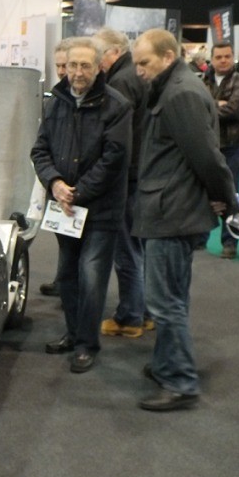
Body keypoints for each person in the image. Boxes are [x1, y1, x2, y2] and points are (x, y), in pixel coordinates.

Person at [131, 29, 239, 410]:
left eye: (144, 63)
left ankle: (180, 381)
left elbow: (208, 157)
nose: (138, 71)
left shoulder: (181, 94)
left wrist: (227, 199)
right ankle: (167, 364)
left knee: (164, 302)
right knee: (170, 298)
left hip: (171, 211)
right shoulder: (175, 88)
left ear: (167, 57)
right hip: (169, 208)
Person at [31, 36, 131, 374]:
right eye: (72, 65)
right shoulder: (55, 102)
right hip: (65, 209)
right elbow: (39, 151)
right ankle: (73, 334)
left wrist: (76, 193)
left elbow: (114, 159)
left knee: (91, 276)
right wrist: (55, 183)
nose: (77, 72)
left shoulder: (117, 106)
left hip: (101, 210)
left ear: (99, 66)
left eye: (85, 65)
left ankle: (87, 345)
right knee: (68, 275)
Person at [92, 27, 153, 338]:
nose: (95, 62)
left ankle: (130, 316)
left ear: (114, 52)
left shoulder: (120, 82)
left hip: (127, 176)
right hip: (140, 172)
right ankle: (144, 311)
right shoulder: (132, 75)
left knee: (127, 250)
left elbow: (117, 137)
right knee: (139, 248)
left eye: (98, 55)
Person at [203, 42, 239, 259]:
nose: (223, 60)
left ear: (232, 57)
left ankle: (230, 242)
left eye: (227, 56)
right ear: (212, 59)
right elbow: (195, 107)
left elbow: (234, 110)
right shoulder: (204, 81)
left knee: (231, 194)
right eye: (219, 57)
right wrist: (217, 104)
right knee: (202, 192)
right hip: (208, 146)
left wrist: (209, 106)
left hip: (233, 146)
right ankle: (199, 237)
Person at [38, 38, 71, 298]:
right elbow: (42, 146)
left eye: (64, 65)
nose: (60, 71)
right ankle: (64, 282)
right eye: (58, 65)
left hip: (80, 188)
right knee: (64, 238)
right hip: (59, 182)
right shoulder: (56, 99)